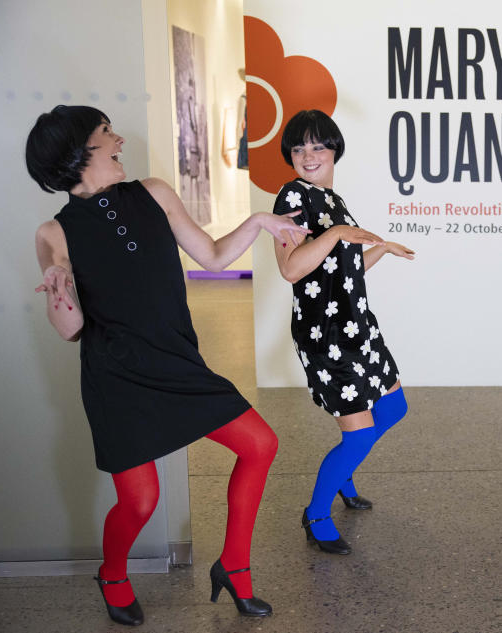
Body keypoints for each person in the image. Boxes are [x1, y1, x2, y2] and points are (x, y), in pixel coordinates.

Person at [28, 105, 307, 625]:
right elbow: (69, 329)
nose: (119, 139)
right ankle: (112, 574)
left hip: (178, 362)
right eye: (107, 133)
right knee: (140, 502)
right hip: (118, 378)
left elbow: (216, 256)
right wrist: (59, 291)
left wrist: (261, 221)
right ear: (78, 152)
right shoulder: (54, 232)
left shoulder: (153, 192)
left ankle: (235, 568)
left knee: (260, 444)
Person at [271, 110, 414, 555]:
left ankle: (343, 475)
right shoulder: (292, 199)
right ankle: (315, 514)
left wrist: (380, 251)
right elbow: (292, 269)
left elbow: (342, 276)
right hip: (325, 335)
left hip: (357, 324)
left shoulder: (332, 198)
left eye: (317, 146)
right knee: (358, 434)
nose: (307, 155)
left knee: (393, 407)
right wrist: (335, 233)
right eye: (298, 148)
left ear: (335, 149)